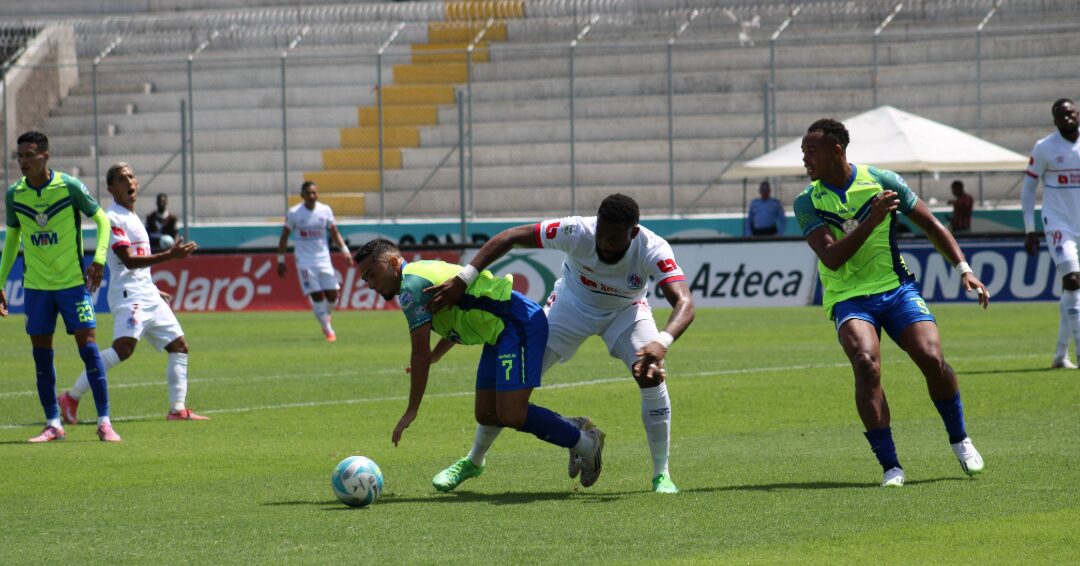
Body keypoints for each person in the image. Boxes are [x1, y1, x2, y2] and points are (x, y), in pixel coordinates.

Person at [426, 193, 695, 493]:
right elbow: (509, 237)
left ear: (633, 233)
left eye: (614, 238)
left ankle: (661, 474)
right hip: (569, 308)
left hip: (626, 312)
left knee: (651, 376)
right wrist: (464, 278)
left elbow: (685, 303)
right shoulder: (577, 231)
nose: (604, 244)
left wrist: (662, 342)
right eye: (601, 235)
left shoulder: (653, 248)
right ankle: (474, 461)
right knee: (510, 386)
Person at [794, 118, 989, 487]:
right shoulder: (807, 202)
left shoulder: (882, 181)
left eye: (811, 151)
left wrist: (964, 268)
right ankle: (891, 466)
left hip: (896, 288)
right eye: (803, 152)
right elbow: (833, 258)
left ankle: (960, 439)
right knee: (866, 365)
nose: (805, 160)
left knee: (932, 359)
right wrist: (871, 218)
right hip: (848, 297)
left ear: (837, 151)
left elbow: (931, 224)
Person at [354, 238, 606, 491]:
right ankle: (566, 428)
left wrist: (412, 410)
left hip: (517, 323)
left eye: (373, 274)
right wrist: (437, 354)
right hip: (498, 332)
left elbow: (419, 353)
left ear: (394, 262)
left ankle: (585, 443)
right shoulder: (417, 276)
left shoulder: (411, 287)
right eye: (366, 279)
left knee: (511, 413)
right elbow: (459, 311)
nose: (371, 284)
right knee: (486, 413)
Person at [58, 162, 209, 423]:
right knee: (123, 349)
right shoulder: (112, 217)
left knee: (179, 345)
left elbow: (136, 262)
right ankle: (71, 397)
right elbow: (127, 260)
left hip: (146, 293)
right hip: (129, 295)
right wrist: (169, 256)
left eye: (131, 176)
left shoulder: (132, 217)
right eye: (120, 179)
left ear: (137, 183)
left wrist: (152, 288)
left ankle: (177, 409)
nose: (128, 181)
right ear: (111, 188)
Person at [0, 131, 121, 443]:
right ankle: (53, 422)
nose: (23, 162)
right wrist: (0, 282)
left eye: (29, 155)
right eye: (20, 156)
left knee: (90, 350)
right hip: (36, 287)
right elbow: (12, 238)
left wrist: (99, 258)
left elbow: (103, 220)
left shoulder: (68, 186)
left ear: (45, 156)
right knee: (41, 356)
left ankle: (105, 421)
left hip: (71, 284)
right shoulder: (15, 194)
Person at [1023, 98, 1080, 370]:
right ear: (1055, 120)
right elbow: (1027, 189)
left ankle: (1060, 355)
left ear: (1077, 113)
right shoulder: (1045, 148)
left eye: (1070, 112)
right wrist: (1029, 229)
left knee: (1072, 291)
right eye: (1061, 115)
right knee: (1072, 279)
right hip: (1059, 223)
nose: (1067, 117)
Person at [277, 181, 353, 342]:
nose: (312, 196)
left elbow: (334, 233)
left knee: (333, 296)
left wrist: (345, 252)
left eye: (314, 193)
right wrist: (280, 260)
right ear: (302, 196)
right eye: (308, 193)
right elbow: (284, 236)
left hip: (324, 259)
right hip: (304, 261)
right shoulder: (294, 213)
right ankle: (328, 330)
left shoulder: (325, 211)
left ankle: (325, 315)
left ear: (317, 194)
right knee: (317, 296)